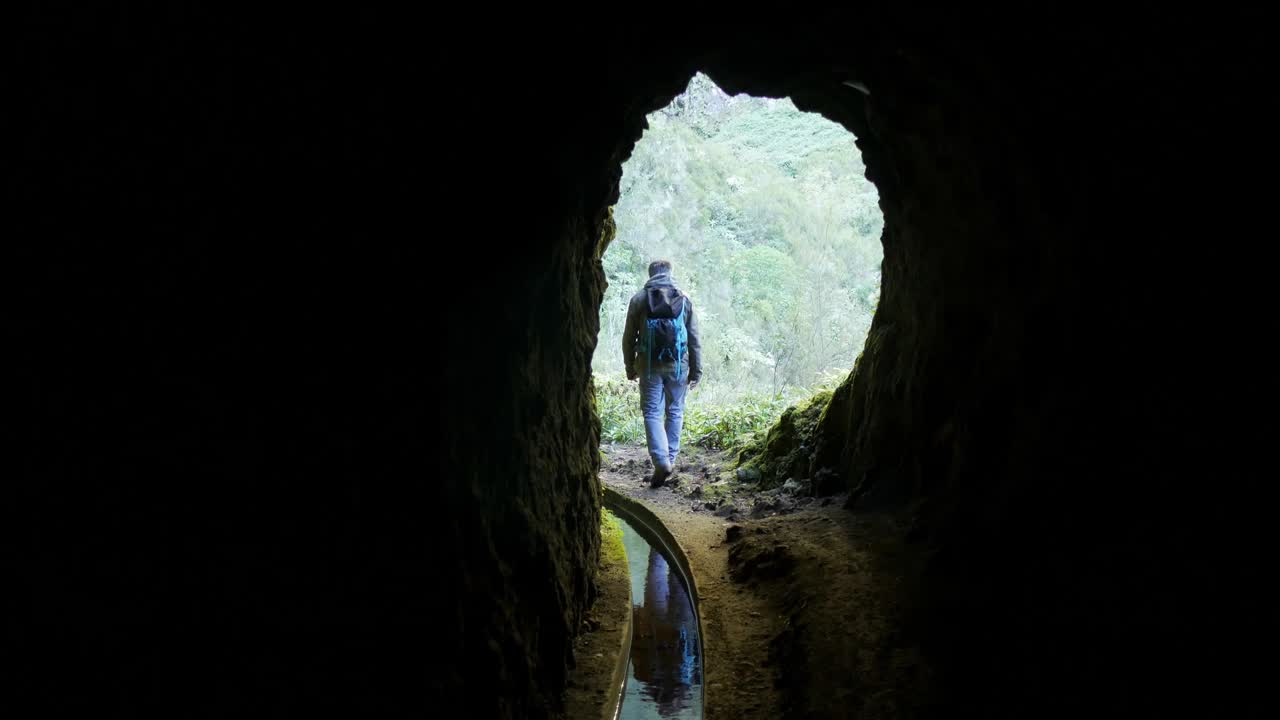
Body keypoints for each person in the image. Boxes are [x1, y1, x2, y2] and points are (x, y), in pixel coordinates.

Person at [623, 260, 703, 487]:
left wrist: (630, 367)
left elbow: (629, 337)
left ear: (651, 275)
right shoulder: (684, 298)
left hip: (648, 366)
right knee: (675, 410)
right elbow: (694, 338)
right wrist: (696, 370)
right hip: (679, 365)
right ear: (670, 274)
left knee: (651, 412)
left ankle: (661, 462)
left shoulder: (639, 299)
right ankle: (670, 459)